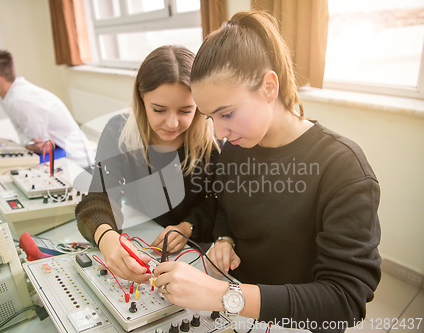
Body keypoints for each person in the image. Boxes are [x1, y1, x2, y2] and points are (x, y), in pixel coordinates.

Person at [152, 11, 381, 333]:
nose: (219, 132)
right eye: (210, 118)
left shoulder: (342, 167)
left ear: (269, 87)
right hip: (238, 311)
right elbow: (225, 207)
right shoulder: (235, 150)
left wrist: (223, 294)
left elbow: (344, 301)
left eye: (227, 113)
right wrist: (224, 237)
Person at [75, 45, 219, 283]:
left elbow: (217, 204)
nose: (172, 123)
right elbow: (98, 198)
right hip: (145, 238)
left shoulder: (211, 141)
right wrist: (107, 237)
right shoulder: (117, 131)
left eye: (186, 110)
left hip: (194, 251)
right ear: (142, 97)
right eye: (159, 109)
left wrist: (187, 227)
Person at [0, 49, 93, 168]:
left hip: (78, 163)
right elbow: (26, 138)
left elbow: (41, 146)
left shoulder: (20, 100)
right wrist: (29, 144)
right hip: (61, 153)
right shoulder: (7, 97)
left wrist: (30, 144)